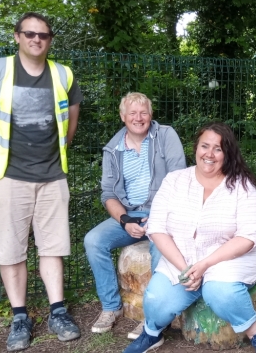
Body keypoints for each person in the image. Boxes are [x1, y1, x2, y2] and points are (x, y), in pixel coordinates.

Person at [0, 12, 82, 351]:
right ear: (17, 36)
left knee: (53, 247)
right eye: (29, 33)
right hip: (7, 177)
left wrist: (55, 157)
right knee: (12, 250)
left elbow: (69, 123)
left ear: (50, 40)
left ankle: (58, 312)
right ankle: (20, 317)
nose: (36, 39)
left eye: (43, 35)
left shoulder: (63, 74)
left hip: (52, 177)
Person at [123, 122, 256, 353]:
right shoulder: (174, 180)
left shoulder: (243, 187)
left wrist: (204, 265)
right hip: (182, 258)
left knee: (220, 292)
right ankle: (151, 334)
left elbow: (247, 237)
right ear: (196, 148)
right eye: (205, 146)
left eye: (218, 148)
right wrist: (186, 269)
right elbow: (156, 228)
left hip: (228, 260)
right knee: (156, 299)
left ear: (227, 154)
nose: (210, 154)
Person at [83, 92, 186, 337]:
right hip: (130, 215)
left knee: (160, 248)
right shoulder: (113, 150)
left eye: (143, 112)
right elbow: (108, 194)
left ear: (151, 115)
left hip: (164, 212)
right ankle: (111, 307)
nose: (138, 118)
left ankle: (155, 316)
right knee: (93, 240)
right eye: (132, 113)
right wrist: (125, 220)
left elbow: (179, 179)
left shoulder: (165, 136)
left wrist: (157, 218)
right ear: (123, 117)